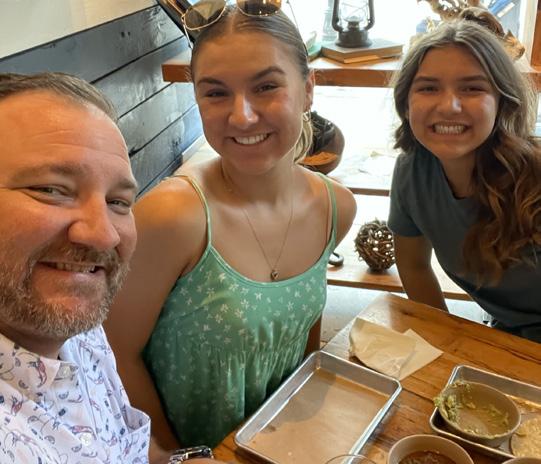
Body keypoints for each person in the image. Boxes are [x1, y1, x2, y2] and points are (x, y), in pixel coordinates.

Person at [104, 2, 356, 451]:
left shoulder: (336, 207)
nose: (242, 116)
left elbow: (303, 341)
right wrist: (176, 456)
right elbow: (112, 356)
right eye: (216, 93)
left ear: (308, 90)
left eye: (266, 86)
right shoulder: (173, 218)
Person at [389, 20, 541, 343]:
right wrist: (449, 347)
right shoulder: (411, 173)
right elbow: (414, 267)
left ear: (502, 101)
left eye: (472, 88)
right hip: (508, 337)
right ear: (405, 101)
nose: (449, 106)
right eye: (428, 88)